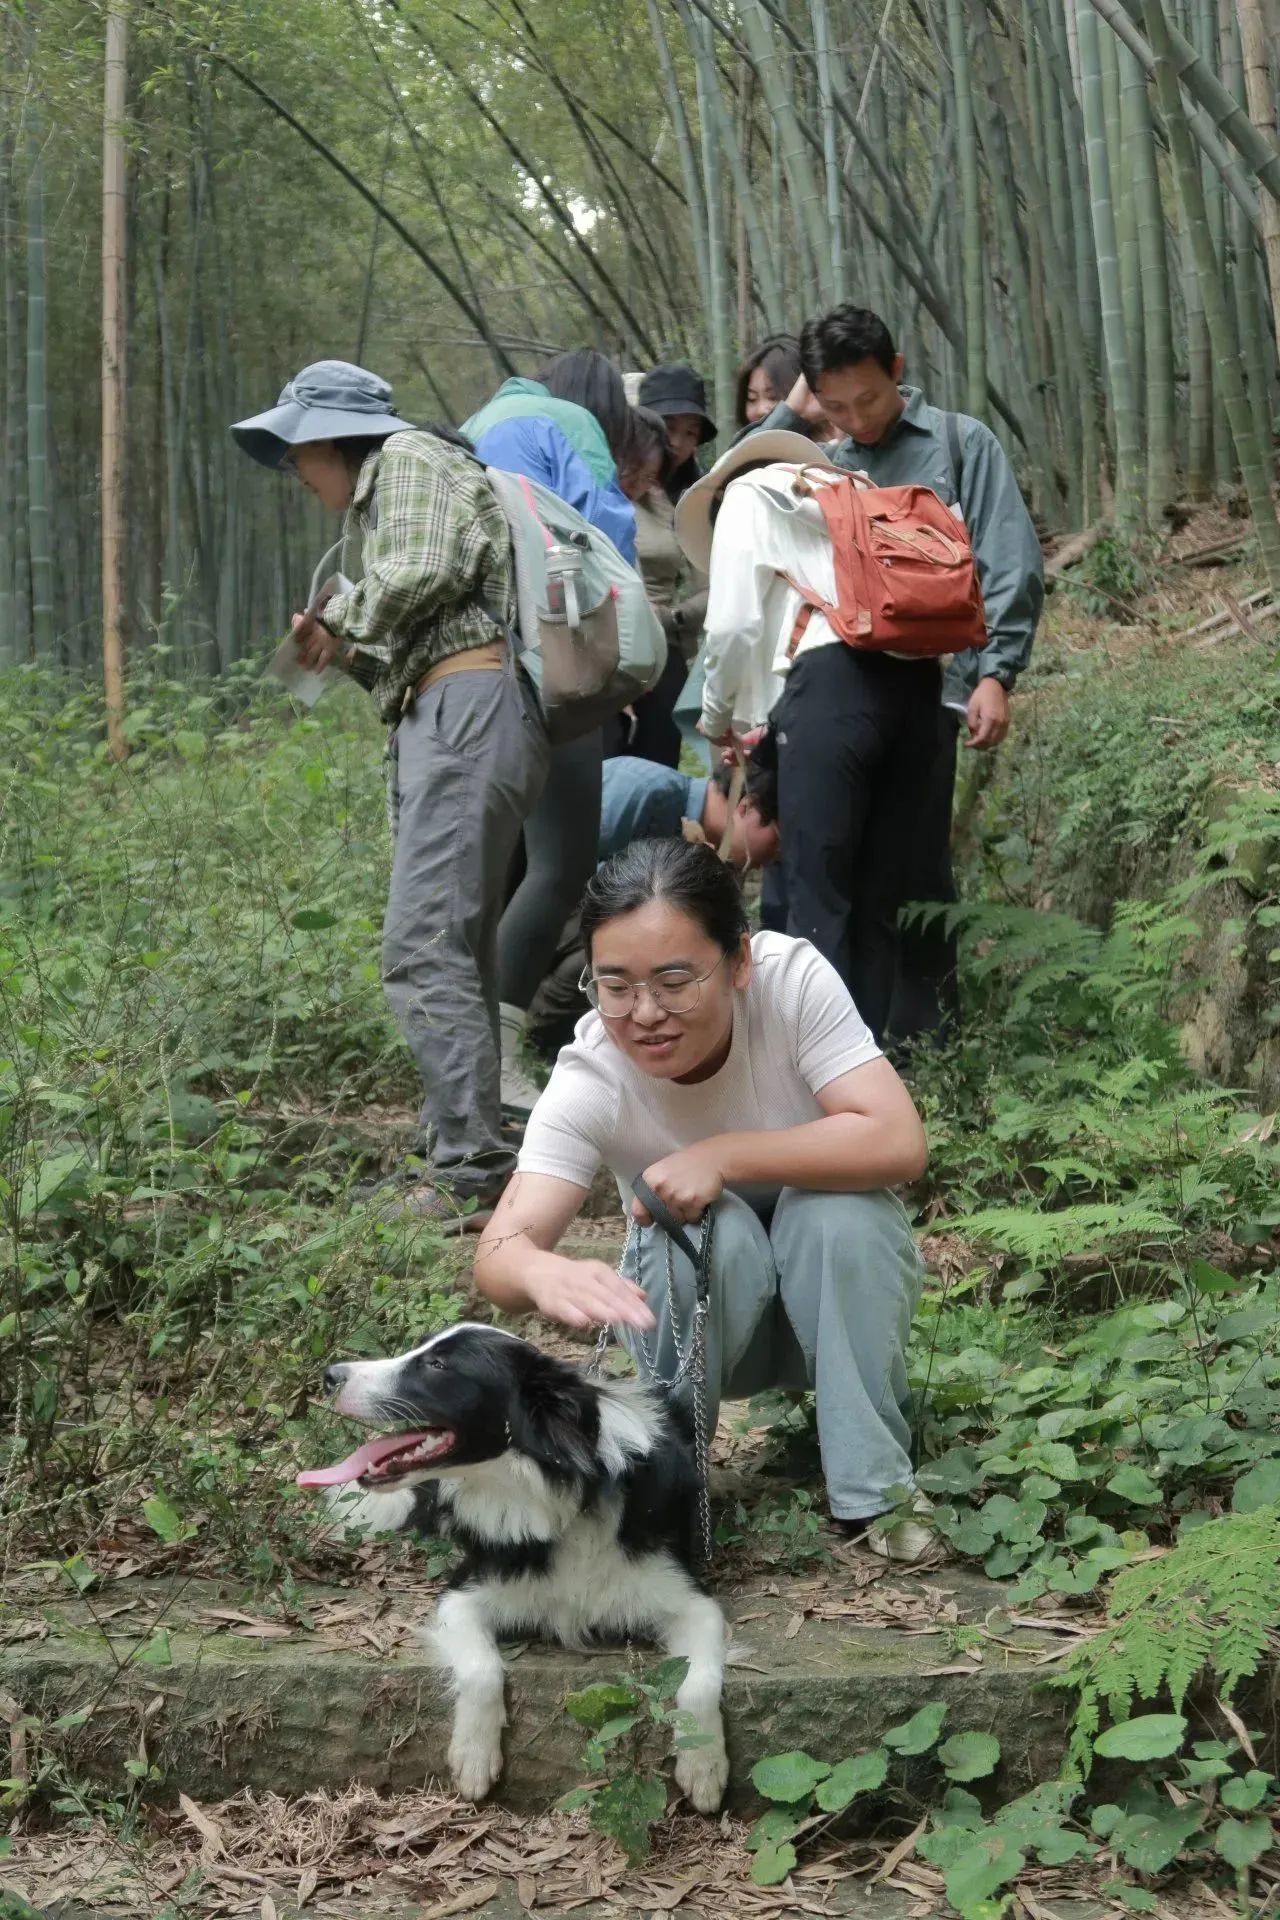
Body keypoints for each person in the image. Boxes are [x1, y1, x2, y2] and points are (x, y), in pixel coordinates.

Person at [474, 839, 936, 1560]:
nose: (645, 1013)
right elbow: (498, 1255)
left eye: (676, 979)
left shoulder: (790, 987)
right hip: (709, 1336)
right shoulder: (593, 1074)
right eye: (615, 985)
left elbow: (900, 1140)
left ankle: (875, 1492)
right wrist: (538, 1270)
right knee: (680, 1229)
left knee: (837, 1211)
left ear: (740, 962)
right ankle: (671, 1488)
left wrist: (722, 1155)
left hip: (844, 1314)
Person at [231, 360, 549, 1230]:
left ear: (332, 436)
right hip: (463, 709)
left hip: (466, 710)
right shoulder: (414, 474)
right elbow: (427, 606)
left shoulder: (406, 459)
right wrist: (346, 648)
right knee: (459, 947)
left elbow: (420, 568)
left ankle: (470, 1164)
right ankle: (472, 1143)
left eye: (300, 453)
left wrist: (341, 611)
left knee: (420, 944)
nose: (298, 473)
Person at [731, 304, 1044, 1044]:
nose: (856, 419)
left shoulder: (960, 443)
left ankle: (927, 1048)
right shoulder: (817, 464)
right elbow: (728, 496)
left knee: (913, 870)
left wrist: (994, 674)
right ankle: (832, 1051)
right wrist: (792, 410)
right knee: (822, 872)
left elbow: (1009, 562)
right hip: (824, 700)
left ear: (898, 371)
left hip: (930, 691)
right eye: (835, 404)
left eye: (868, 399)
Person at [478, 352, 636, 1116]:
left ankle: (465, 1060)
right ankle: (498, 1060)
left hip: (472, 674)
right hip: (553, 660)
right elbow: (604, 531)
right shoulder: (567, 423)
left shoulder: (472, 430)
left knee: (489, 876)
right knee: (560, 864)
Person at [525, 752, 781, 1056]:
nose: (775, 856)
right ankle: (526, 1034)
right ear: (746, 808)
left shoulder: (708, 853)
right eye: (777, 839)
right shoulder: (639, 788)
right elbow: (551, 875)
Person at [613, 407, 708, 766]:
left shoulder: (668, 504)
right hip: (606, 649)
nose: (637, 483)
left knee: (656, 761)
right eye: (631, 470)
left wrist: (671, 617)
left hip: (659, 648)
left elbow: (710, 588)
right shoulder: (588, 495)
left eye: (649, 475)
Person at [637, 363, 717, 503]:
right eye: (668, 426)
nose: (676, 443)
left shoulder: (702, 499)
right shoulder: (610, 482)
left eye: (690, 433)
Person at [735, 334, 804, 431]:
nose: (761, 410)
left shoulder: (828, 444)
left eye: (773, 397)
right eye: (752, 399)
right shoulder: (745, 445)